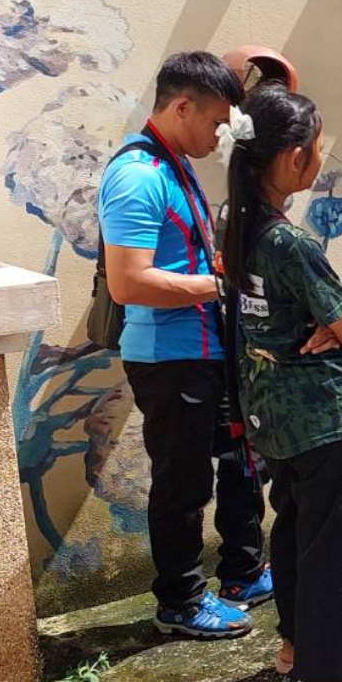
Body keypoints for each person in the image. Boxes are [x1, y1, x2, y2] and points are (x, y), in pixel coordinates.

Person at [221, 85, 342, 682]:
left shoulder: (236, 224)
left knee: (298, 531)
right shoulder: (290, 244)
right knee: (338, 547)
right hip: (324, 416)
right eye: (316, 148)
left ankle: (298, 647)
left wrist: (327, 317)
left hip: (273, 414)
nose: (318, 157)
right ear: (294, 157)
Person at [97, 51, 268, 638]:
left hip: (204, 351)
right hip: (171, 358)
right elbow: (128, 282)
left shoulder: (175, 164)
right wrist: (220, 283)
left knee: (240, 462)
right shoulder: (138, 174)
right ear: (181, 106)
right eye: (217, 120)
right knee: (183, 481)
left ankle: (242, 575)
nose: (222, 134)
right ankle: (181, 601)